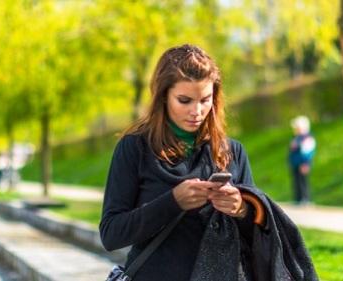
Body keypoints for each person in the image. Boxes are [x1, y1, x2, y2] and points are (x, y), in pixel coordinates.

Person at [100, 44, 318, 281]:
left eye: (205, 100)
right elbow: (112, 234)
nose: (197, 111)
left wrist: (241, 209)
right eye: (184, 100)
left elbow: (255, 238)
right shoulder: (134, 148)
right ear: (163, 97)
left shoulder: (232, 151)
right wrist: (173, 201)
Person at [289, 115, 316, 205]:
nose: (295, 129)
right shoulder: (296, 137)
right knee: (296, 181)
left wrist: (305, 163)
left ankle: (305, 198)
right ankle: (298, 198)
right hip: (295, 163)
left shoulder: (307, 138)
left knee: (303, 181)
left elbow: (307, 152)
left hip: (302, 163)